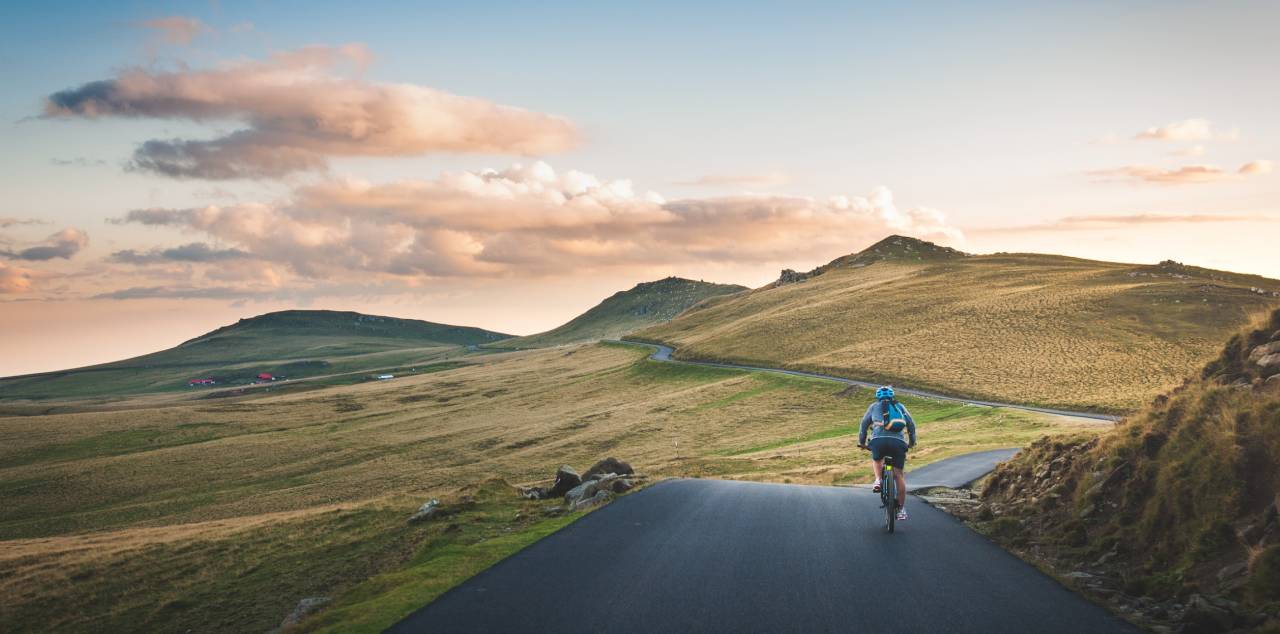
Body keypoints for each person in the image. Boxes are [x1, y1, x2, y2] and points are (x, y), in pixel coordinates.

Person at [858, 386, 916, 521]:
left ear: (878, 397)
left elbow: (863, 426)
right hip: (898, 443)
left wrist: (862, 442)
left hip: (879, 441)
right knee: (898, 475)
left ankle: (878, 480)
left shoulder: (873, 407)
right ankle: (901, 510)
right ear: (892, 396)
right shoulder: (900, 406)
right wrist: (911, 442)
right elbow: (911, 425)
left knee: (877, 460)